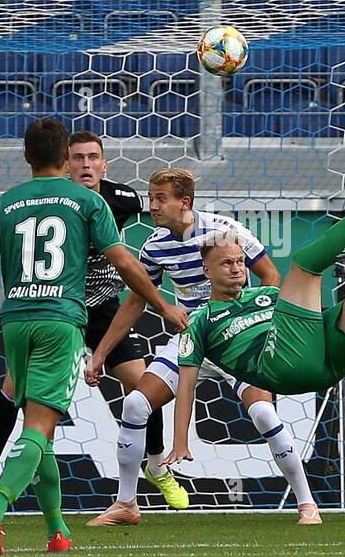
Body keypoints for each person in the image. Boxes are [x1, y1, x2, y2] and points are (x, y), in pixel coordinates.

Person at [0, 118, 186, 554]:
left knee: (38, 431)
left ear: (27, 157)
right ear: (65, 157)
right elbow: (124, 262)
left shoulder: (2, 206)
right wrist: (163, 305)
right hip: (60, 321)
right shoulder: (86, 202)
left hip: (15, 321)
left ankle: (57, 532)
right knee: (38, 427)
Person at [160, 145, 345, 518]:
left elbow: (306, 324)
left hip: (324, 364)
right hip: (280, 368)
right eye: (226, 264)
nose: (237, 269)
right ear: (207, 272)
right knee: (303, 266)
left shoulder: (266, 296)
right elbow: (186, 383)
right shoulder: (200, 321)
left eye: (239, 261)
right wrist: (180, 442)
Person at [82, 168, 302, 525]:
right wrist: (102, 352)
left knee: (264, 414)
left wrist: (251, 321)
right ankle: (126, 505)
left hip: (236, 334)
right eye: (151, 198)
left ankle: (306, 504)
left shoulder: (226, 232)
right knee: (137, 404)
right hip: (192, 338)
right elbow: (137, 299)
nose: (152, 205)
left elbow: (271, 277)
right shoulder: (154, 244)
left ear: (184, 202)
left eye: (160, 199)